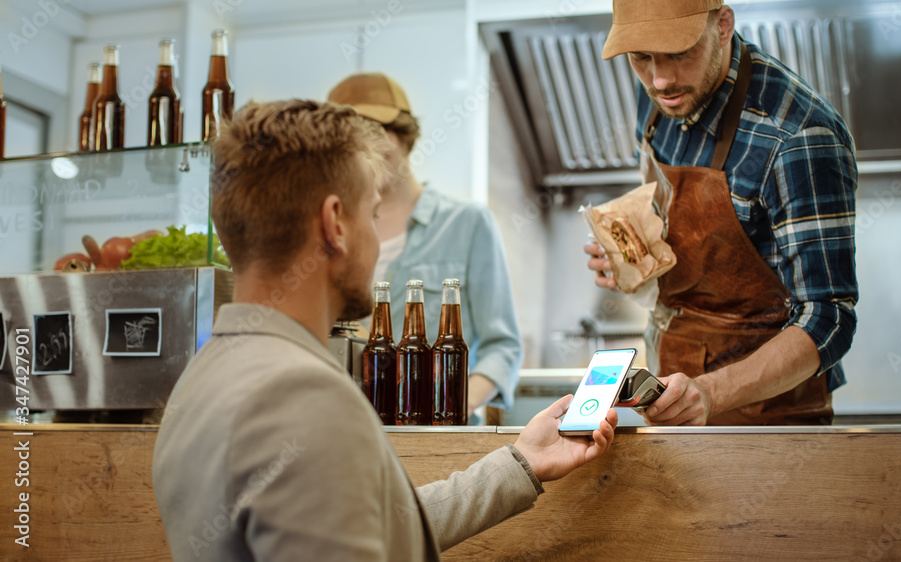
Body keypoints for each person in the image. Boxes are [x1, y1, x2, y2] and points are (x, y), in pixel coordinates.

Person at [152, 99, 618, 560]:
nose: (379, 240)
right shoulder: (304, 394)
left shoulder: (197, 381)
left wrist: (520, 464)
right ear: (336, 224)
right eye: (373, 215)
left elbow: (373, 524)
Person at [585, 0, 858, 426]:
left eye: (679, 53)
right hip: (670, 388)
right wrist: (635, 260)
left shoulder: (798, 137)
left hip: (768, 421)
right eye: (641, 58)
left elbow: (829, 318)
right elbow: (674, 222)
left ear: (724, 25)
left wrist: (711, 391)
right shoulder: (658, 97)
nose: (660, 79)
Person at [327, 73, 522, 423]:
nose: (364, 154)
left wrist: (451, 408)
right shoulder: (334, 232)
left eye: (375, 133)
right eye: (349, 143)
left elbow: (502, 347)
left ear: (403, 137)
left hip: (438, 437)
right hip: (353, 429)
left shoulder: (467, 223)